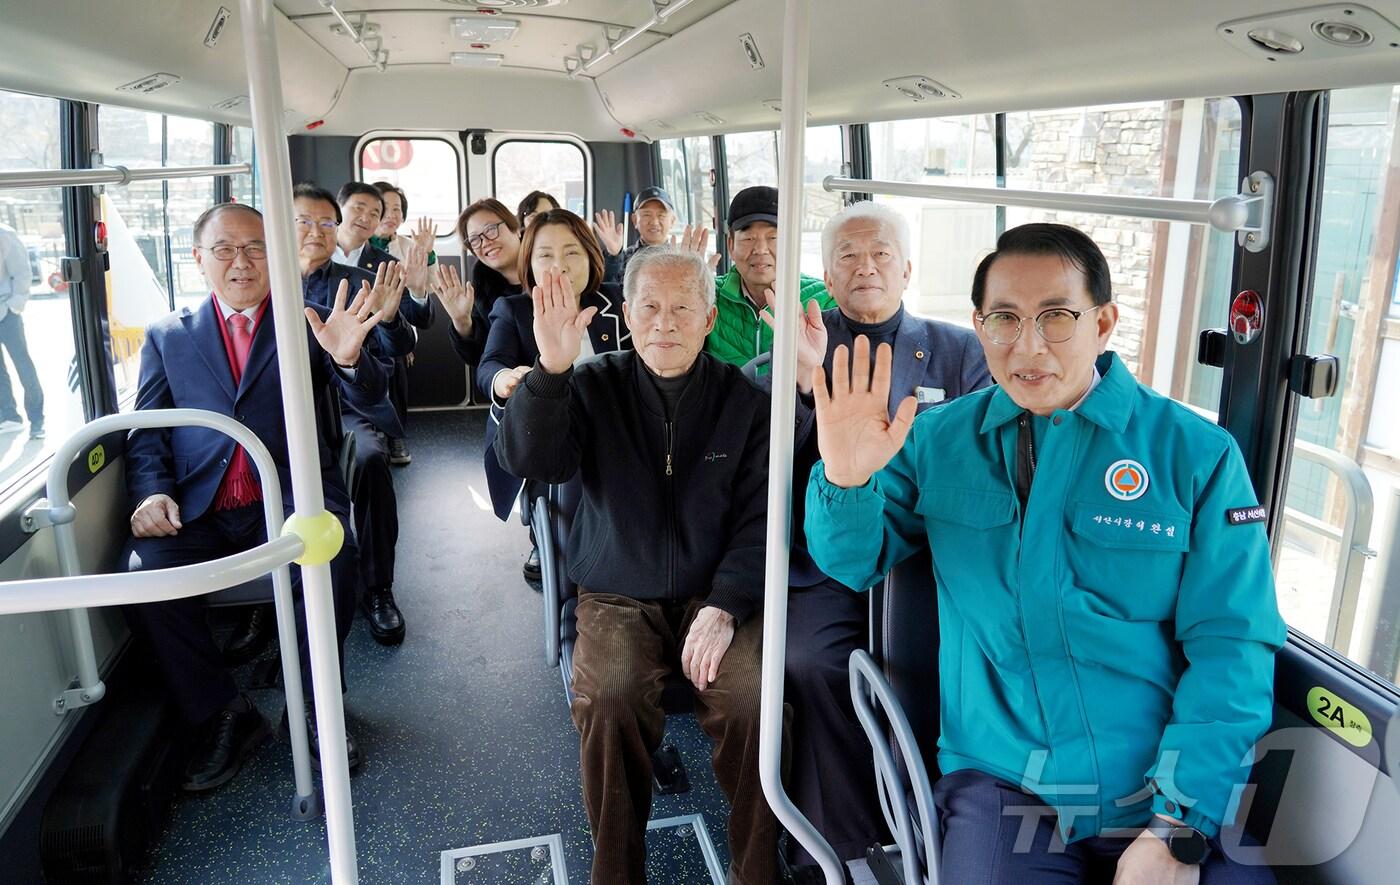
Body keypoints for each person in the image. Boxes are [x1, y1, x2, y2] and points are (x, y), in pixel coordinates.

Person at [804, 223, 1286, 884]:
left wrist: (1178, 824)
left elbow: (1232, 644)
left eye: (1056, 316)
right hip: (1002, 783)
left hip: (1160, 777)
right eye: (1003, 318)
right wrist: (845, 479)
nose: (1027, 346)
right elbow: (852, 560)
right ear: (979, 325)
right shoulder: (935, 441)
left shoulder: (1194, 456)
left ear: (1105, 321)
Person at [495, 247, 777, 885]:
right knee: (609, 695)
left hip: (721, 595)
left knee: (754, 704)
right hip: (618, 591)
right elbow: (531, 461)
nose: (665, 323)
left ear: (709, 319)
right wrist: (551, 369)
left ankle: (758, 871)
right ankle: (616, 872)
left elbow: (762, 519)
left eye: (683, 308)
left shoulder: (747, 403)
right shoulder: (591, 387)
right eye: (649, 306)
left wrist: (728, 603)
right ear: (625, 315)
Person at [757, 201, 992, 867]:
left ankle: (943, 821)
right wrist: (805, 389)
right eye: (848, 257)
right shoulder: (797, 346)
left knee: (955, 668)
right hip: (829, 557)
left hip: (932, 558)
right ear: (825, 278)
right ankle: (844, 841)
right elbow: (772, 465)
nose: (866, 267)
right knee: (814, 664)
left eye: (881, 253)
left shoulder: (959, 350)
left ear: (908, 267)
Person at [123, 203, 385, 791]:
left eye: (257, 248)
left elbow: (370, 395)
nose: (241, 262)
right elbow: (147, 429)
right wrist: (152, 492)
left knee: (330, 558)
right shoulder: (168, 337)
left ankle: (317, 707)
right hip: (201, 505)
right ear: (198, 259)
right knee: (142, 573)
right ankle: (222, 711)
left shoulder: (308, 322)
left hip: (292, 494)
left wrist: (348, 358)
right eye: (224, 249)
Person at [477, 208, 629, 582]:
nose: (559, 265)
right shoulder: (512, 309)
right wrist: (504, 379)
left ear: (591, 257)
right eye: (545, 255)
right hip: (550, 432)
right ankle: (549, 539)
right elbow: (489, 365)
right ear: (529, 263)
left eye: (571, 252)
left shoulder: (617, 302)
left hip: (617, 426)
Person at [297, 183, 412, 646]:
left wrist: (387, 319)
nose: (317, 232)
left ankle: (378, 587)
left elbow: (394, 349)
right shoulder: (261, 288)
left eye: (327, 223)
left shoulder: (359, 281)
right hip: (282, 415)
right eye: (304, 221)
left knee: (367, 459)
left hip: (344, 405)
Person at [336, 181, 435, 467]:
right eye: (358, 208)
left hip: (372, 353)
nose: (366, 218)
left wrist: (417, 290)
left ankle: (392, 429)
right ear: (340, 209)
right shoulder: (310, 257)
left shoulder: (387, 264)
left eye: (375, 213)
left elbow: (414, 319)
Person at [706, 185, 834, 367]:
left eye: (773, 238)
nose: (760, 249)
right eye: (748, 238)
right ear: (730, 246)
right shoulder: (707, 296)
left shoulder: (825, 300)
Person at [443, 198, 526, 370]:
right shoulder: (483, 290)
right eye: (474, 240)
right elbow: (479, 358)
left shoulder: (549, 269)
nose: (485, 242)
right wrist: (462, 322)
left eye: (491, 229)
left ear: (516, 228)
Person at [0, 222, 44, 438]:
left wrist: (14, 306)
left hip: (6, 312)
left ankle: (37, 421)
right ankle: (9, 416)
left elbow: (22, 272)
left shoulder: (4, 233)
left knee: (23, 365)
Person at [593, 185, 677, 283]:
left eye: (661, 215)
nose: (654, 222)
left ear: (672, 221)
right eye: (647, 215)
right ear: (634, 220)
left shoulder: (680, 258)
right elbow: (608, 290)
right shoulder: (624, 259)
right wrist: (613, 256)